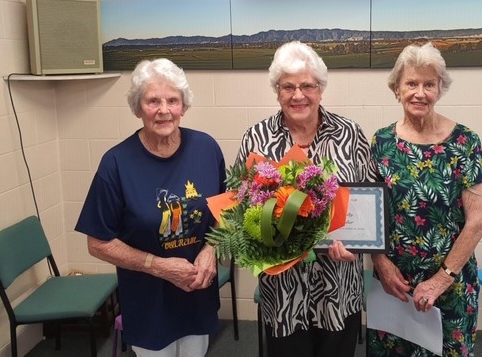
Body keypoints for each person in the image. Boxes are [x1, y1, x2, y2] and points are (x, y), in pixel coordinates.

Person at [235, 40, 378, 357]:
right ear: (277, 91)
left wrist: (357, 245)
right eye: (288, 87)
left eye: (307, 86)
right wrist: (263, 239)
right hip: (284, 292)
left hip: (339, 286)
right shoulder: (256, 138)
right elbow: (240, 204)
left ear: (321, 89)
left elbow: (369, 199)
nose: (298, 95)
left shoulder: (350, 133)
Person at [75, 58, 226, 357]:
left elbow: (227, 213)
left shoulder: (206, 148)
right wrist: (158, 266)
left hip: (197, 296)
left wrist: (211, 251)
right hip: (148, 303)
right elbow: (97, 243)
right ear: (137, 107)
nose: (164, 110)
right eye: (153, 101)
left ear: (184, 106)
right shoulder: (116, 164)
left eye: (173, 100)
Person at [368, 42, 482, 356]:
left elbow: (477, 222)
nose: (419, 92)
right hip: (393, 285)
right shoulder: (381, 142)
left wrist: (440, 280)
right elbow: (370, 214)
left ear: (439, 89)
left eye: (429, 84)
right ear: (397, 88)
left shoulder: (465, 141)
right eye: (411, 83)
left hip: (449, 285)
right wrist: (380, 263)